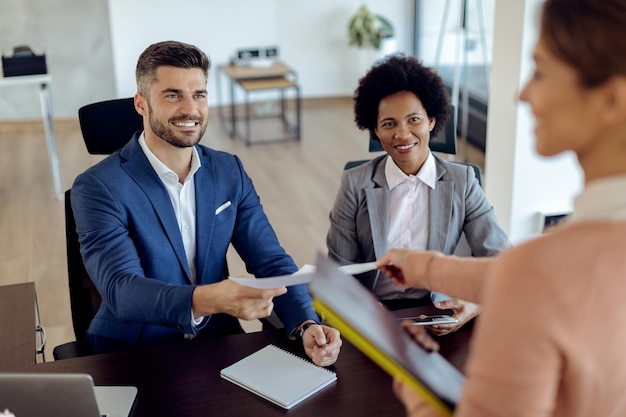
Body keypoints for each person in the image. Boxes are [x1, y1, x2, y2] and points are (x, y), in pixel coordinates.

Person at [378, 0, 626, 415]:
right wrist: (421, 268)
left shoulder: (537, 271)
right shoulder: (559, 266)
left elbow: (530, 280)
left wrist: (418, 384)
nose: (523, 92)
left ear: (611, 99)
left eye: (541, 71)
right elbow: (530, 278)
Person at [71, 40, 341, 366]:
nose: (190, 109)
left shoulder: (229, 171)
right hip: (135, 350)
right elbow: (121, 290)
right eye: (173, 95)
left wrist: (305, 324)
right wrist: (209, 299)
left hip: (217, 341)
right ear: (141, 104)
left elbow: (271, 262)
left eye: (199, 95)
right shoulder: (98, 186)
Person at [326, 53, 510, 335]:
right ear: (375, 129)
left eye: (413, 119)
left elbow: (500, 259)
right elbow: (339, 271)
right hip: (373, 316)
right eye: (389, 123)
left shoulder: (463, 181)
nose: (402, 134)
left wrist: (473, 305)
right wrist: (361, 307)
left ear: (431, 120)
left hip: (439, 311)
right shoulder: (355, 183)